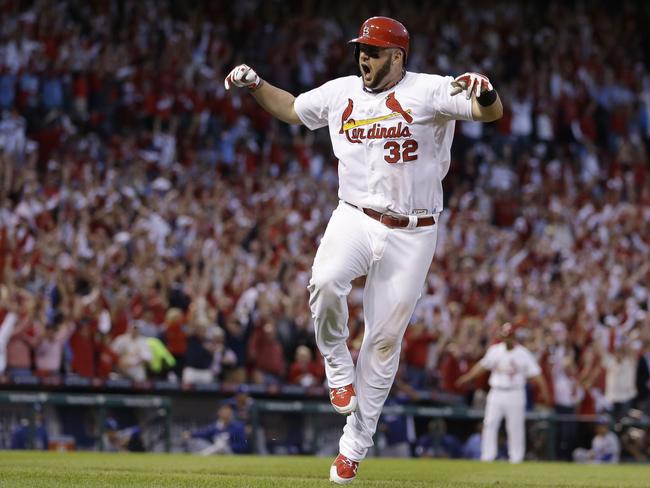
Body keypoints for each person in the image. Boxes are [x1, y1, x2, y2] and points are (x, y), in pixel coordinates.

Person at [225, 15, 502, 484]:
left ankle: (354, 446)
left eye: (372, 51)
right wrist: (256, 85)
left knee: (384, 339)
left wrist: (485, 91)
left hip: (414, 230)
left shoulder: (431, 90)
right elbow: (293, 109)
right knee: (327, 281)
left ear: (397, 57)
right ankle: (336, 363)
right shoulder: (341, 92)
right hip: (354, 214)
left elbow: (490, 114)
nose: (363, 58)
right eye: (361, 50)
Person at [456, 322, 550, 463]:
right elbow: (482, 366)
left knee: (515, 426)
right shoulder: (495, 350)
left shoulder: (523, 353)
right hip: (496, 392)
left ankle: (516, 458)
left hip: (515, 393)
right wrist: (467, 377)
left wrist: (544, 392)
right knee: (490, 423)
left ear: (514, 337)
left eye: (510, 336)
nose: (508, 339)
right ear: (502, 336)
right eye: (505, 336)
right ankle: (488, 456)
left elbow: (537, 374)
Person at [182, 403, 249, 455]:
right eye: (223, 410)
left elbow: (242, 445)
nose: (225, 412)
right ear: (219, 412)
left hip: (230, 452)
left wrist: (229, 446)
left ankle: (201, 456)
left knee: (221, 446)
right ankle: (201, 455)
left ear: (231, 412)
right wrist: (190, 434)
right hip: (214, 451)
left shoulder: (238, 427)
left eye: (227, 410)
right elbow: (204, 433)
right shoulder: (216, 426)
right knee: (193, 441)